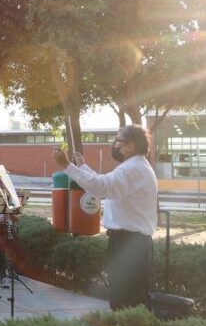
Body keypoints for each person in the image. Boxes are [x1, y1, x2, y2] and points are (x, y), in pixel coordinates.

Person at [53, 125, 158, 310]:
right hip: (130, 242)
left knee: (126, 302)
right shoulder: (134, 167)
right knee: (127, 299)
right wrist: (82, 166)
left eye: (117, 141)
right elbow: (104, 184)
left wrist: (66, 166)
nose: (114, 145)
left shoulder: (132, 169)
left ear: (130, 146)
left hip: (129, 244)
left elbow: (101, 187)